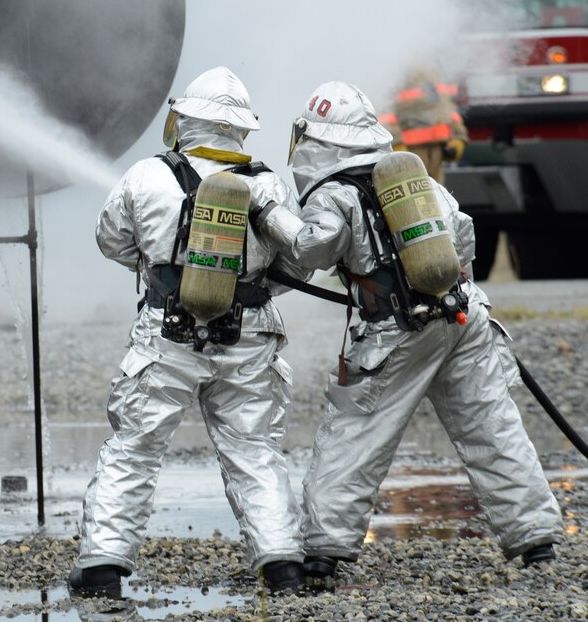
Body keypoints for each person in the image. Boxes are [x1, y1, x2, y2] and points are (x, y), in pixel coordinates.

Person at [251, 81, 563, 588]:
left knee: (353, 436)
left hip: (394, 332)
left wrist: (268, 214)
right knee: (492, 427)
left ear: (318, 140)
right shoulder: (417, 182)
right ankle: (537, 542)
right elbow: (463, 235)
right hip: (465, 318)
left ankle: (323, 554)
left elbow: (313, 249)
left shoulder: (335, 193)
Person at [68, 66, 307, 598]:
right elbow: (300, 264)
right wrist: (245, 292)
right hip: (250, 336)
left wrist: (165, 275)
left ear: (184, 119)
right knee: (254, 450)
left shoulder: (146, 175)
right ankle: (282, 564)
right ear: (239, 128)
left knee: (135, 447)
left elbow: (112, 242)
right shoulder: (266, 183)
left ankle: (104, 565)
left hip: (166, 332)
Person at [378, 68, 468, 184]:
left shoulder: (437, 74)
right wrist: (396, 144)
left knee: (437, 196)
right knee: (415, 195)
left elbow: (450, 110)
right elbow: (386, 114)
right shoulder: (398, 76)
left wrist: (458, 139)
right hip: (411, 152)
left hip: (437, 152)